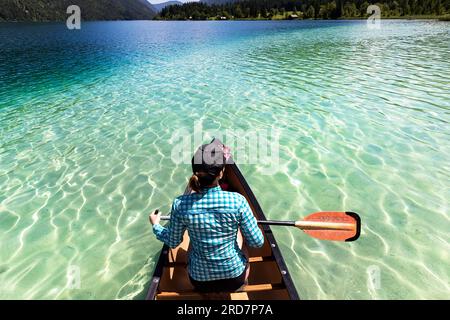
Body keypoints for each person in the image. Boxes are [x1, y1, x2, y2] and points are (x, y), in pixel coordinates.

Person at [149, 142, 264, 293]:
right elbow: (257, 242)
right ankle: (242, 286)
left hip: (199, 281)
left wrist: (156, 225)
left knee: (190, 242)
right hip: (235, 279)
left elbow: (173, 241)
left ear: (194, 172)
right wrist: (250, 224)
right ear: (221, 173)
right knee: (240, 237)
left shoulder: (180, 204)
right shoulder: (238, 201)